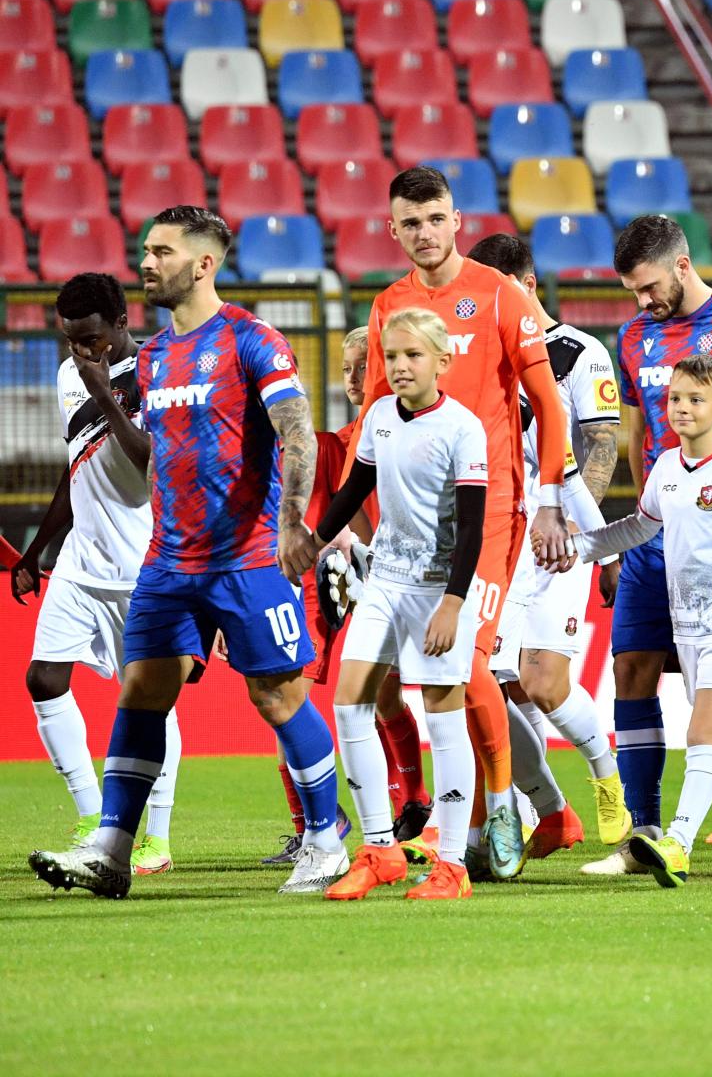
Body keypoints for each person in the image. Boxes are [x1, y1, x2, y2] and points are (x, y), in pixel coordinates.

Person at [30, 206, 340, 900]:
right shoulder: (154, 358)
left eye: (161, 252)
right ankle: (112, 847)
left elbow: (297, 431)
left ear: (203, 264)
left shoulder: (251, 339)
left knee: (276, 694)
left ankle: (326, 838)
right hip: (169, 562)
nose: (146, 262)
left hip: (247, 555)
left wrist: (293, 522)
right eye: (144, 249)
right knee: (142, 691)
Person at [361, 166, 573, 883]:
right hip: (412, 524)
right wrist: (365, 518)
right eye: (409, 223)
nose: (423, 234)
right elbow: (372, 417)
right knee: (431, 675)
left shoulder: (501, 293)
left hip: (491, 510)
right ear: (392, 230)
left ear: (457, 220)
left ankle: (502, 802)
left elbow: (549, 404)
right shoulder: (388, 305)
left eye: (435, 219)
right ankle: (510, 812)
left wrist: (549, 499)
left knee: (468, 663)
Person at [553, 356, 712, 887]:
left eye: (696, 399)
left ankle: (679, 840)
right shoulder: (665, 468)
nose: (682, 408)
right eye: (675, 399)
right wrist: (580, 546)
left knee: (704, 730)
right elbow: (640, 526)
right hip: (688, 626)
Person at [593, 214, 712, 871]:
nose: (641, 303)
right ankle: (641, 836)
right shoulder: (632, 336)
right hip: (657, 531)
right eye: (632, 291)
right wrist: (619, 539)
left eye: (647, 287)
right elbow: (635, 437)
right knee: (632, 671)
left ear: (681, 265)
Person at [295, 310, 490, 902]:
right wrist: (311, 539)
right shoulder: (379, 416)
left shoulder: (463, 429)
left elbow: (475, 528)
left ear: (442, 361)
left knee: (443, 717)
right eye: (392, 357)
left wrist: (454, 604)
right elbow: (355, 487)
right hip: (384, 578)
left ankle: (452, 866)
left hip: (438, 589)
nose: (400, 367)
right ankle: (380, 850)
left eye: (413, 356)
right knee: (350, 703)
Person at [466, 233, 630, 859]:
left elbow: (602, 446)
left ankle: (604, 778)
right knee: (489, 682)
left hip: (561, 535)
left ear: (527, 287)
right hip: (502, 538)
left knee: (542, 683)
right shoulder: (483, 357)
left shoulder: (578, 353)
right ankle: (548, 812)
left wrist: (582, 535)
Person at [17, 273, 177, 877]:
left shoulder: (155, 375)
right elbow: (78, 466)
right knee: (43, 678)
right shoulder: (69, 375)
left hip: (143, 568)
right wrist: (39, 550)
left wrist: (104, 392)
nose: (79, 352)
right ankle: (93, 818)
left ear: (120, 325)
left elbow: (150, 468)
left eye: (90, 340)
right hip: (81, 563)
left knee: (152, 702)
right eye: (70, 341)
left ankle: (153, 839)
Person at [267, 325, 375, 863]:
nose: (353, 378)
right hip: (324, 585)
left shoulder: (406, 431)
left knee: (393, 702)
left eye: (363, 365)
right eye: (346, 369)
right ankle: (319, 824)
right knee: (290, 701)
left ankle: (417, 811)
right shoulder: (332, 445)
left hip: (404, 579)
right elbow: (329, 521)